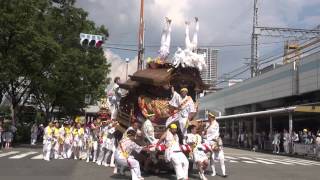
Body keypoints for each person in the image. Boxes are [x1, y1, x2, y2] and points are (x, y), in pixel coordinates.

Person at [204, 112, 227, 177]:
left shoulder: (216, 123)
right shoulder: (207, 124)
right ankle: (213, 172)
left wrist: (216, 140)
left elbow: (216, 133)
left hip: (215, 140)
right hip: (208, 141)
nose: (208, 117)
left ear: (212, 117)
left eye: (209, 116)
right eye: (208, 116)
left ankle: (224, 173)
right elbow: (206, 133)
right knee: (212, 158)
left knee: (221, 158)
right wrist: (205, 131)